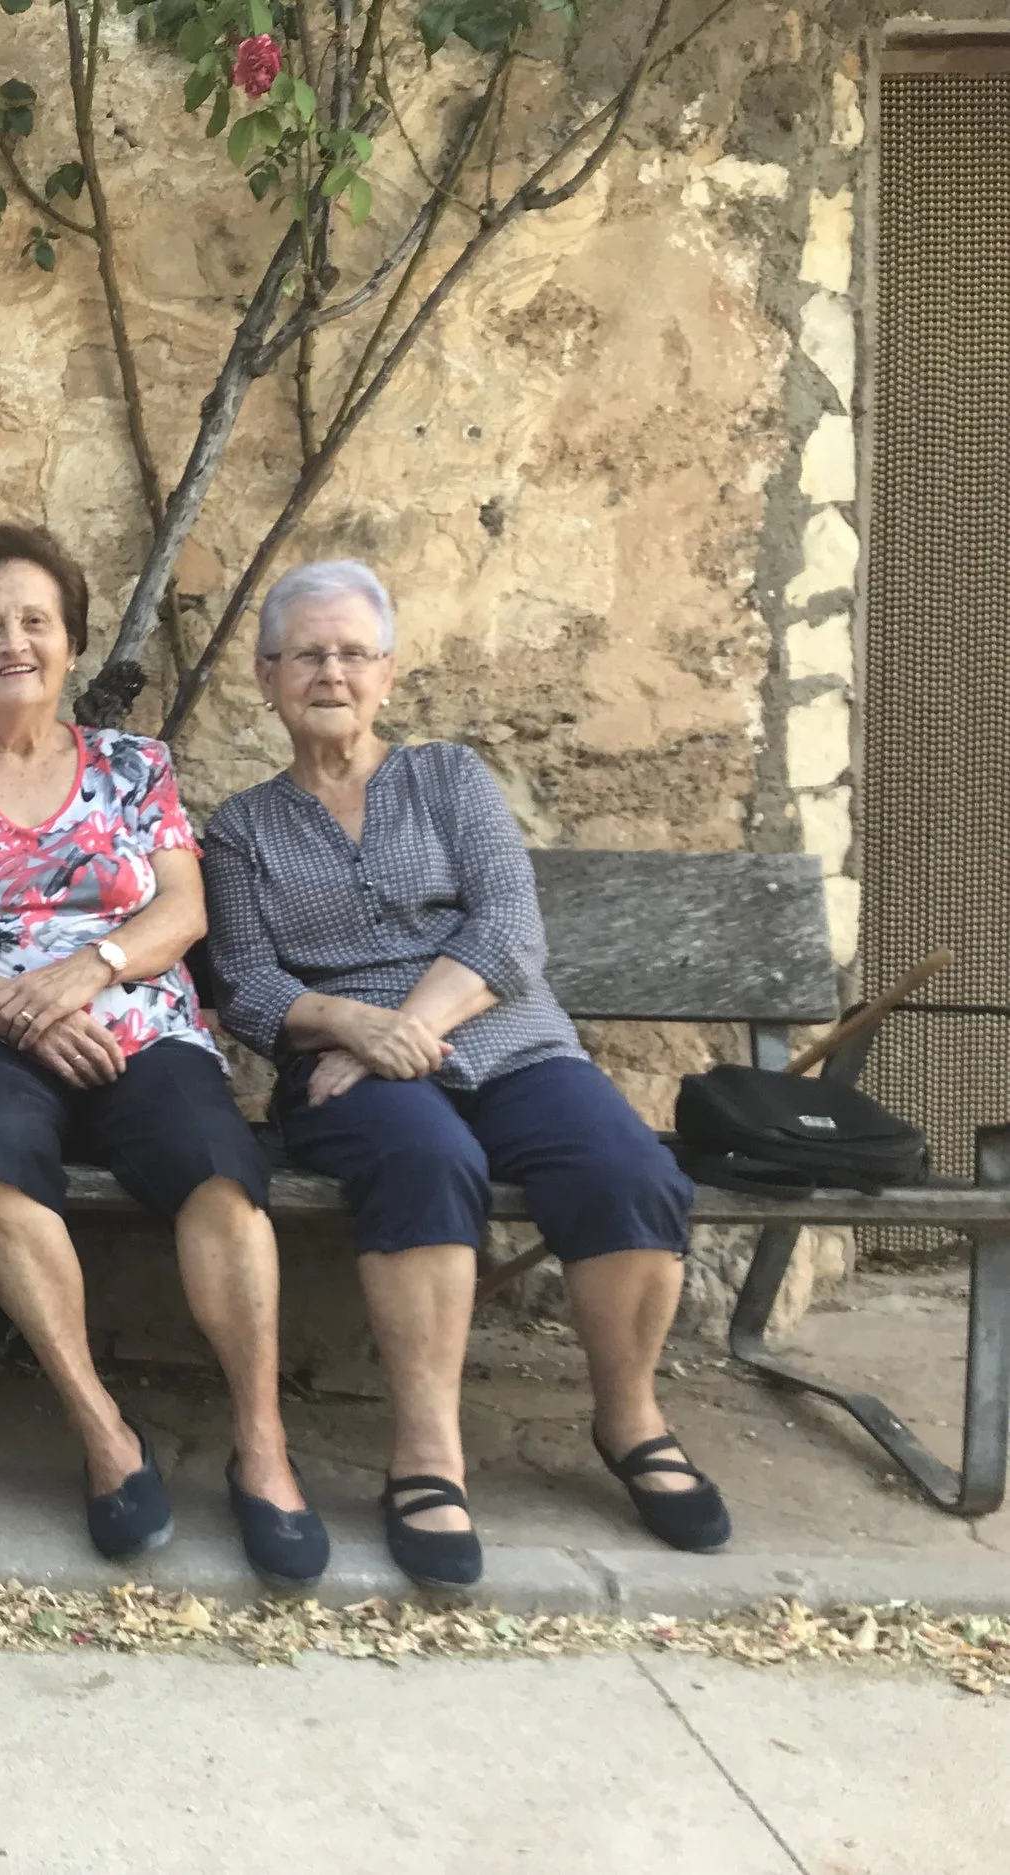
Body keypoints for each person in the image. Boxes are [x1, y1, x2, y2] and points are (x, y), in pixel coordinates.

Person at [202, 558, 730, 1589]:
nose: (331, 672)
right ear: (265, 677)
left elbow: (506, 931)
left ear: (387, 674)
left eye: (353, 653)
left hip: (509, 1045)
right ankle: (428, 1454)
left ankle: (629, 1420)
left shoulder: (449, 781)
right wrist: (355, 1030)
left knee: (625, 1169)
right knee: (424, 1161)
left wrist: (401, 1026)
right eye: (306, 653)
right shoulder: (242, 829)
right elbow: (249, 986)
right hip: (355, 1083)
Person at [0, 523, 327, 1582]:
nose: (12, 642)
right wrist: (15, 1005)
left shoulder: (132, 764)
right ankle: (103, 1432)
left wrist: (91, 971)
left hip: (138, 1022)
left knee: (218, 1173)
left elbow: (182, 909)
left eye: (35, 621)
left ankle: (261, 1446)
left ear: (69, 644)